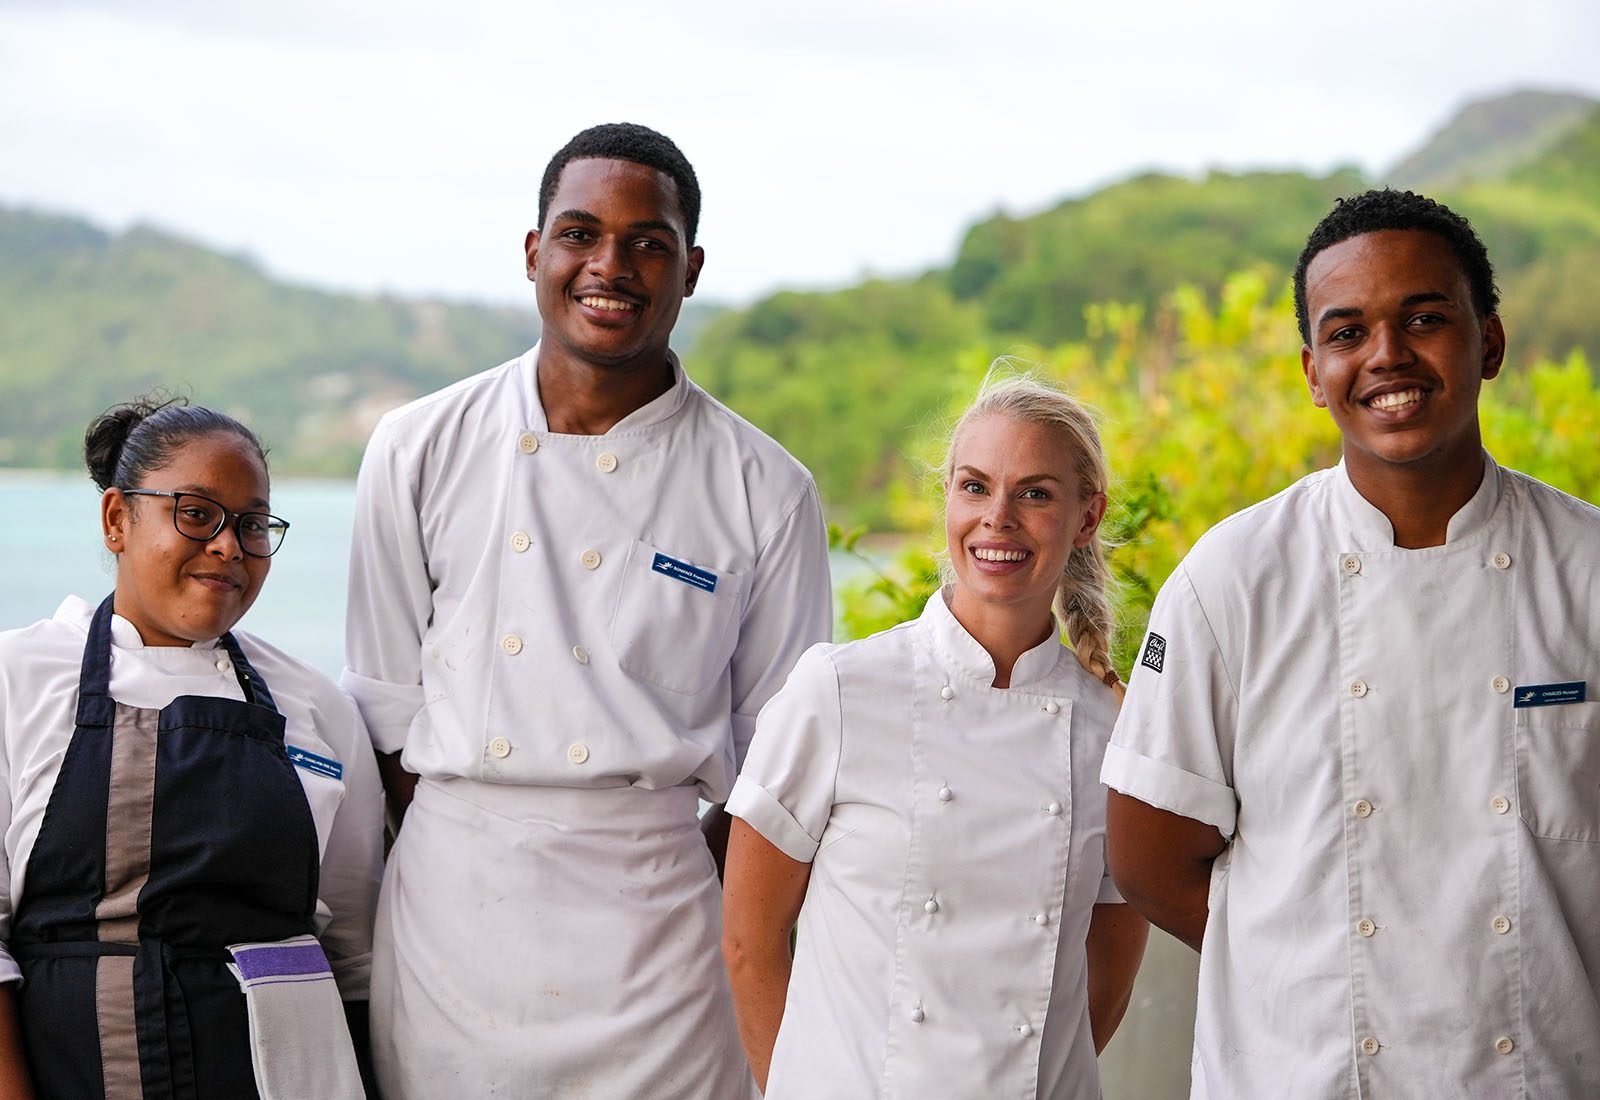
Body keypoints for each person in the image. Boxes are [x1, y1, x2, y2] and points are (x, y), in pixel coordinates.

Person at [343, 122, 833, 1098]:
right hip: (453, 927)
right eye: (579, 233)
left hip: (658, 943)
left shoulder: (766, 489)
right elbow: (383, 713)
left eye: (647, 241)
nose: (609, 265)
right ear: (534, 253)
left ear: (689, 268)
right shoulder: (417, 447)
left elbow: (776, 769)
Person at [1102, 189, 1600, 1098]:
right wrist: (1304, 964)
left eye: (1424, 318)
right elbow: (1146, 859)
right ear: (1311, 368)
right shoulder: (1233, 579)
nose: (1386, 357)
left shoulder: (1589, 569)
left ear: (1488, 341)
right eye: (1347, 333)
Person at [722, 375, 1148, 1099]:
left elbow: (1103, 976)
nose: (998, 519)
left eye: (1036, 494)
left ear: (1086, 517)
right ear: (947, 498)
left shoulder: (1115, 734)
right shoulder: (839, 691)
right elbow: (748, 944)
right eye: (975, 487)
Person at [0, 396, 383, 1099]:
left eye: (252, 524)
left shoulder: (316, 707)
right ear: (118, 519)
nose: (229, 546)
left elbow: (354, 956)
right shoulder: (18, 679)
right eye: (196, 513)